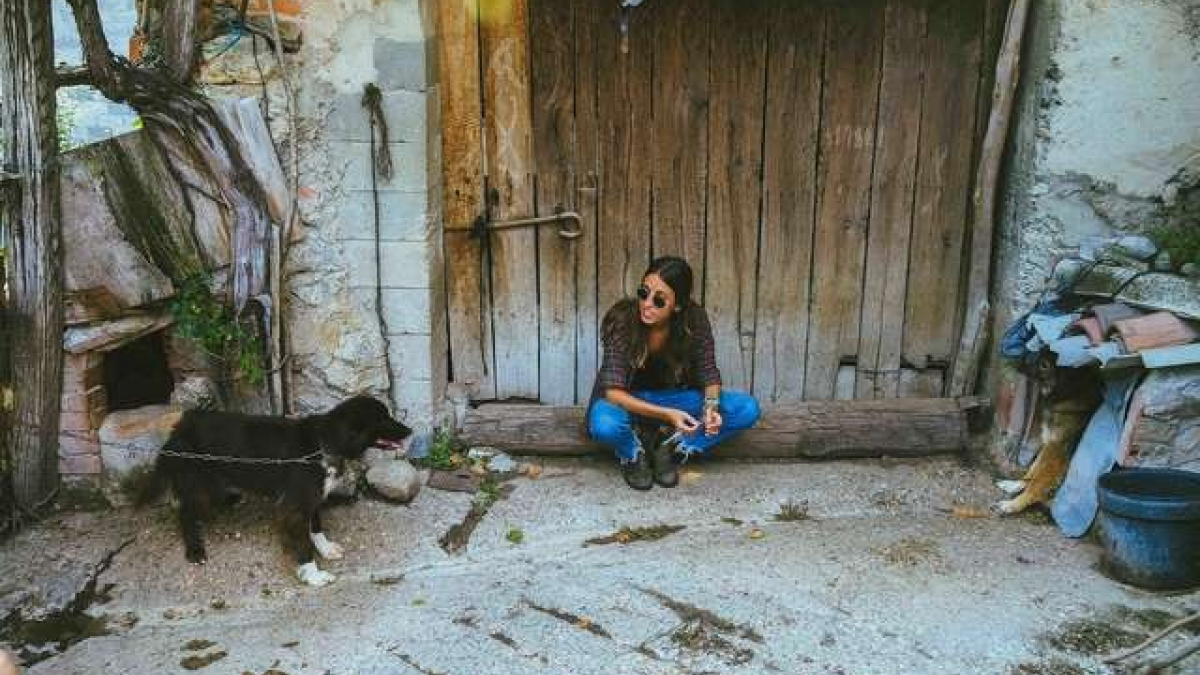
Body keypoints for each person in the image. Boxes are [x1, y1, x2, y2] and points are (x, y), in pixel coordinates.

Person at [588, 256, 761, 490]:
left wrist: (711, 410)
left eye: (659, 300)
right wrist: (667, 415)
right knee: (603, 424)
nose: (646, 303)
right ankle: (633, 452)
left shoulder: (694, 320)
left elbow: (709, 374)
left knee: (746, 408)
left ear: (677, 305)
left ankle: (669, 447)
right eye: (643, 292)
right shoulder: (622, 320)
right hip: (627, 403)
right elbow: (613, 393)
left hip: (675, 401)